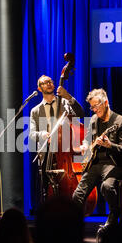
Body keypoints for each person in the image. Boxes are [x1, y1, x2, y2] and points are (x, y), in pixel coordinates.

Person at [72, 88, 122, 230]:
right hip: (95, 163)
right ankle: (74, 230)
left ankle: (114, 214)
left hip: (114, 164)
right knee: (77, 195)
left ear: (105, 103)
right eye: (92, 107)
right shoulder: (94, 120)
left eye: (96, 106)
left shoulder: (121, 121)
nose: (94, 109)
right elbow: (87, 139)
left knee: (106, 187)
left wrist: (110, 145)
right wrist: (85, 146)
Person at [29, 75, 85, 205]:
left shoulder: (65, 103)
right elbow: (32, 134)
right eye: (44, 83)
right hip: (47, 154)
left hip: (65, 151)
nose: (48, 83)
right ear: (39, 88)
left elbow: (81, 114)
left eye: (50, 82)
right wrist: (43, 134)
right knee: (46, 189)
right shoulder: (35, 111)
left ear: (54, 85)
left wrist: (68, 96)